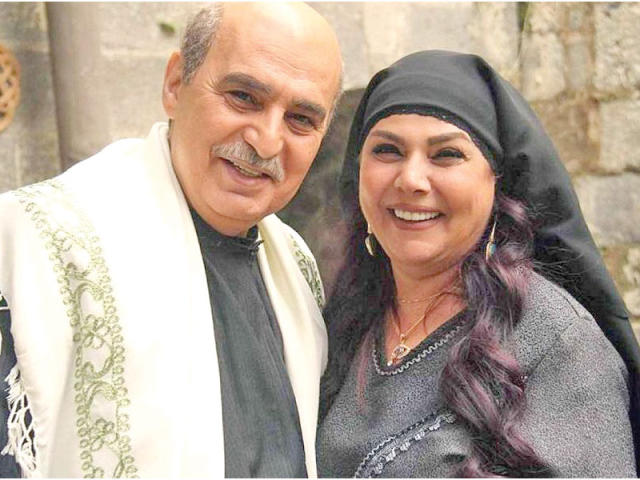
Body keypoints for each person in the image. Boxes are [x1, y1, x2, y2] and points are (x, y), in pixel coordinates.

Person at [0, 3, 342, 477]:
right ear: (176, 84)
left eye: (301, 119)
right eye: (243, 97)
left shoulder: (297, 266)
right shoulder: (40, 243)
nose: (266, 140)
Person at [317, 50, 639, 477]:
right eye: (388, 150)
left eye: (446, 154)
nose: (411, 179)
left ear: (496, 180)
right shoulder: (343, 321)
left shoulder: (557, 343)